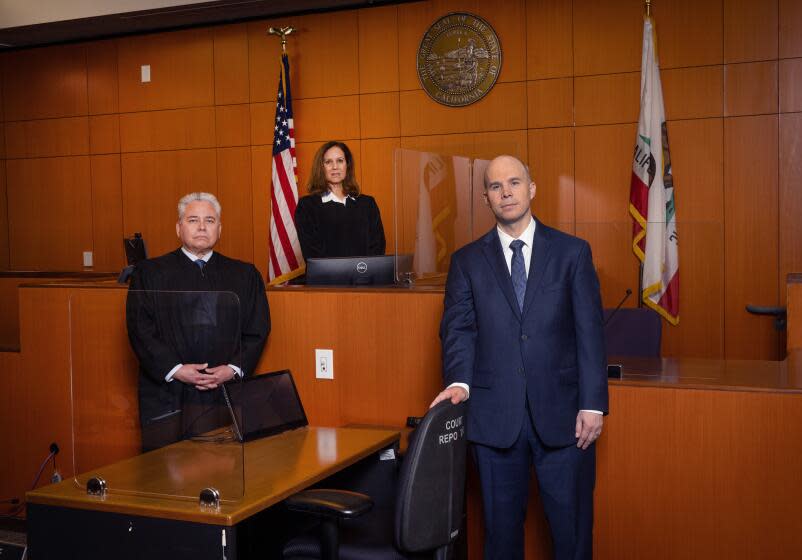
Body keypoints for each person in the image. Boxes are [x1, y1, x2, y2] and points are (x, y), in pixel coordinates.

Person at [430, 156, 608, 560]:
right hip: (494, 420)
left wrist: (593, 404)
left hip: (566, 418)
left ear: (532, 188)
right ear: (485, 198)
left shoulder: (573, 254)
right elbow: (458, 330)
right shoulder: (466, 261)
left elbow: (590, 335)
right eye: (495, 186)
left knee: (572, 535)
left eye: (514, 182)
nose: (506, 192)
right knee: (500, 536)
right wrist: (459, 382)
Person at [126, 192, 270, 451]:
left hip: (224, 392)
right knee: (166, 476)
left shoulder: (244, 274)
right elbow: (140, 330)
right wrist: (176, 369)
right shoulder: (149, 273)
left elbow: (257, 329)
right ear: (179, 228)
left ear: (220, 228)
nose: (202, 227)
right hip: (168, 393)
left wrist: (233, 369)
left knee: (224, 473)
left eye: (210, 220)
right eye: (193, 220)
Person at [294, 141, 385, 260]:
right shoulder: (307, 206)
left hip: (365, 276)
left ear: (347, 165)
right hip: (327, 277)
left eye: (340, 161)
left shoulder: (368, 204)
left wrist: (363, 274)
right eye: (328, 162)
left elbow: (378, 247)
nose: (335, 167)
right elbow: (312, 253)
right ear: (321, 167)